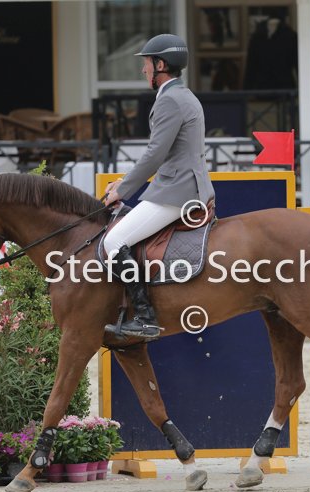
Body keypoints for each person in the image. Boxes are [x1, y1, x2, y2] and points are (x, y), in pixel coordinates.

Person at [102, 33, 215, 339]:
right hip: (186, 185)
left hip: (178, 192)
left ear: (161, 65)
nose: (144, 69)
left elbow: (155, 154)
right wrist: (124, 181)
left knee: (114, 241)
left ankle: (144, 317)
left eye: (148, 63)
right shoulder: (184, 96)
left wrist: (122, 190)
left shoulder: (170, 100)